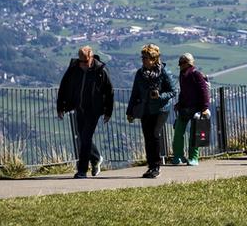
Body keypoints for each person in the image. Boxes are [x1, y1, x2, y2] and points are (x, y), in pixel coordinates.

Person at [56, 46, 114, 178]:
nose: (83, 65)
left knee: (86, 137)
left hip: (94, 110)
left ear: (91, 58)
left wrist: (108, 111)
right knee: (82, 137)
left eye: (86, 62)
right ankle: (96, 158)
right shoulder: (74, 69)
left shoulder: (100, 70)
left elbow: (109, 91)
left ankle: (82, 170)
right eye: (82, 62)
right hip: (79, 108)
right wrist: (61, 107)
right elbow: (64, 87)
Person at [125, 44, 176, 178]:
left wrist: (160, 96)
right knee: (148, 137)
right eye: (142, 57)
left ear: (154, 59)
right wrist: (129, 111)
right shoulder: (140, 74)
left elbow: (173, 91)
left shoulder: (164, 72)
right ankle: (151, 166)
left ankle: (156, 166)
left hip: (160, 109)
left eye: (145, 58)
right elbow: (135, 93)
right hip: (145, 109)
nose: (143, 60)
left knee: (154, 135)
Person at [172, 53, 211, 166]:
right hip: (184, 108)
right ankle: (178, 156)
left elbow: (204, 91)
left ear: (187, 63)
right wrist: (179, 103)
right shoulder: (182, 75)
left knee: (195, 134)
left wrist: (204, 108)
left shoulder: (196, 74)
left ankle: (193, 157)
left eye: (182, 63)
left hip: (196, 109)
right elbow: (183, 91)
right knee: (179, 133)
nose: (180, 65)